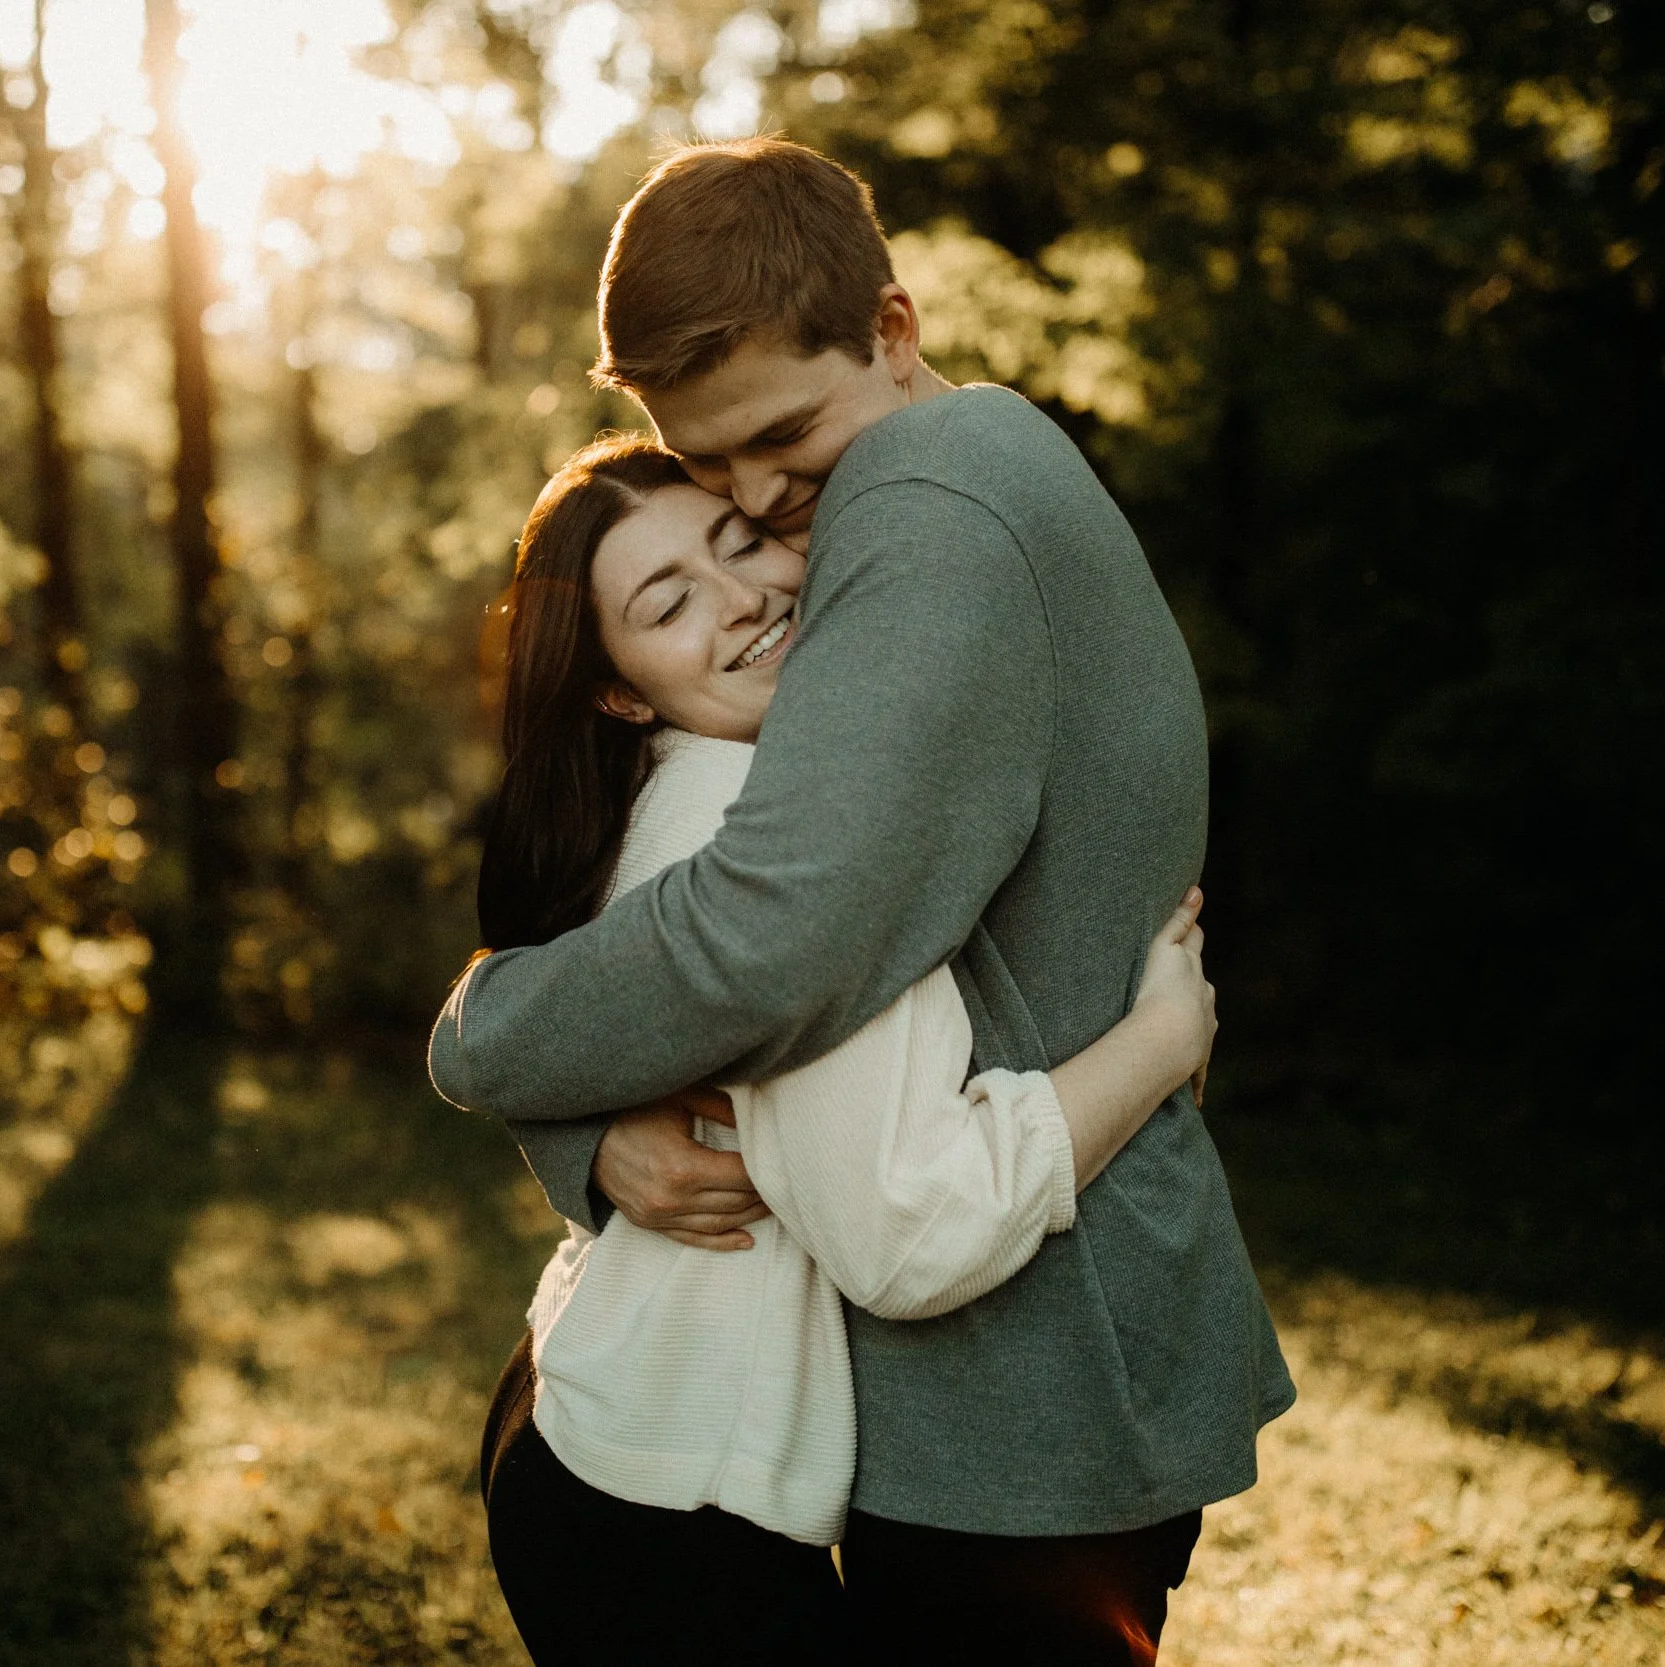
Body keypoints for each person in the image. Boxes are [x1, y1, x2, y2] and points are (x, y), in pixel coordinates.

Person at [435, 137, 1293, 1664]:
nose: (766, 509)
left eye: (780, 439)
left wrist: (491, 1033)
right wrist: (584, 1128)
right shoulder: (978, 458)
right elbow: (778, 936)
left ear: (893, 329)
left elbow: (772, 935)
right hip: (995, 1365)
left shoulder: (926, 503)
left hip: (1034, 1373)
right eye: (712, 466)